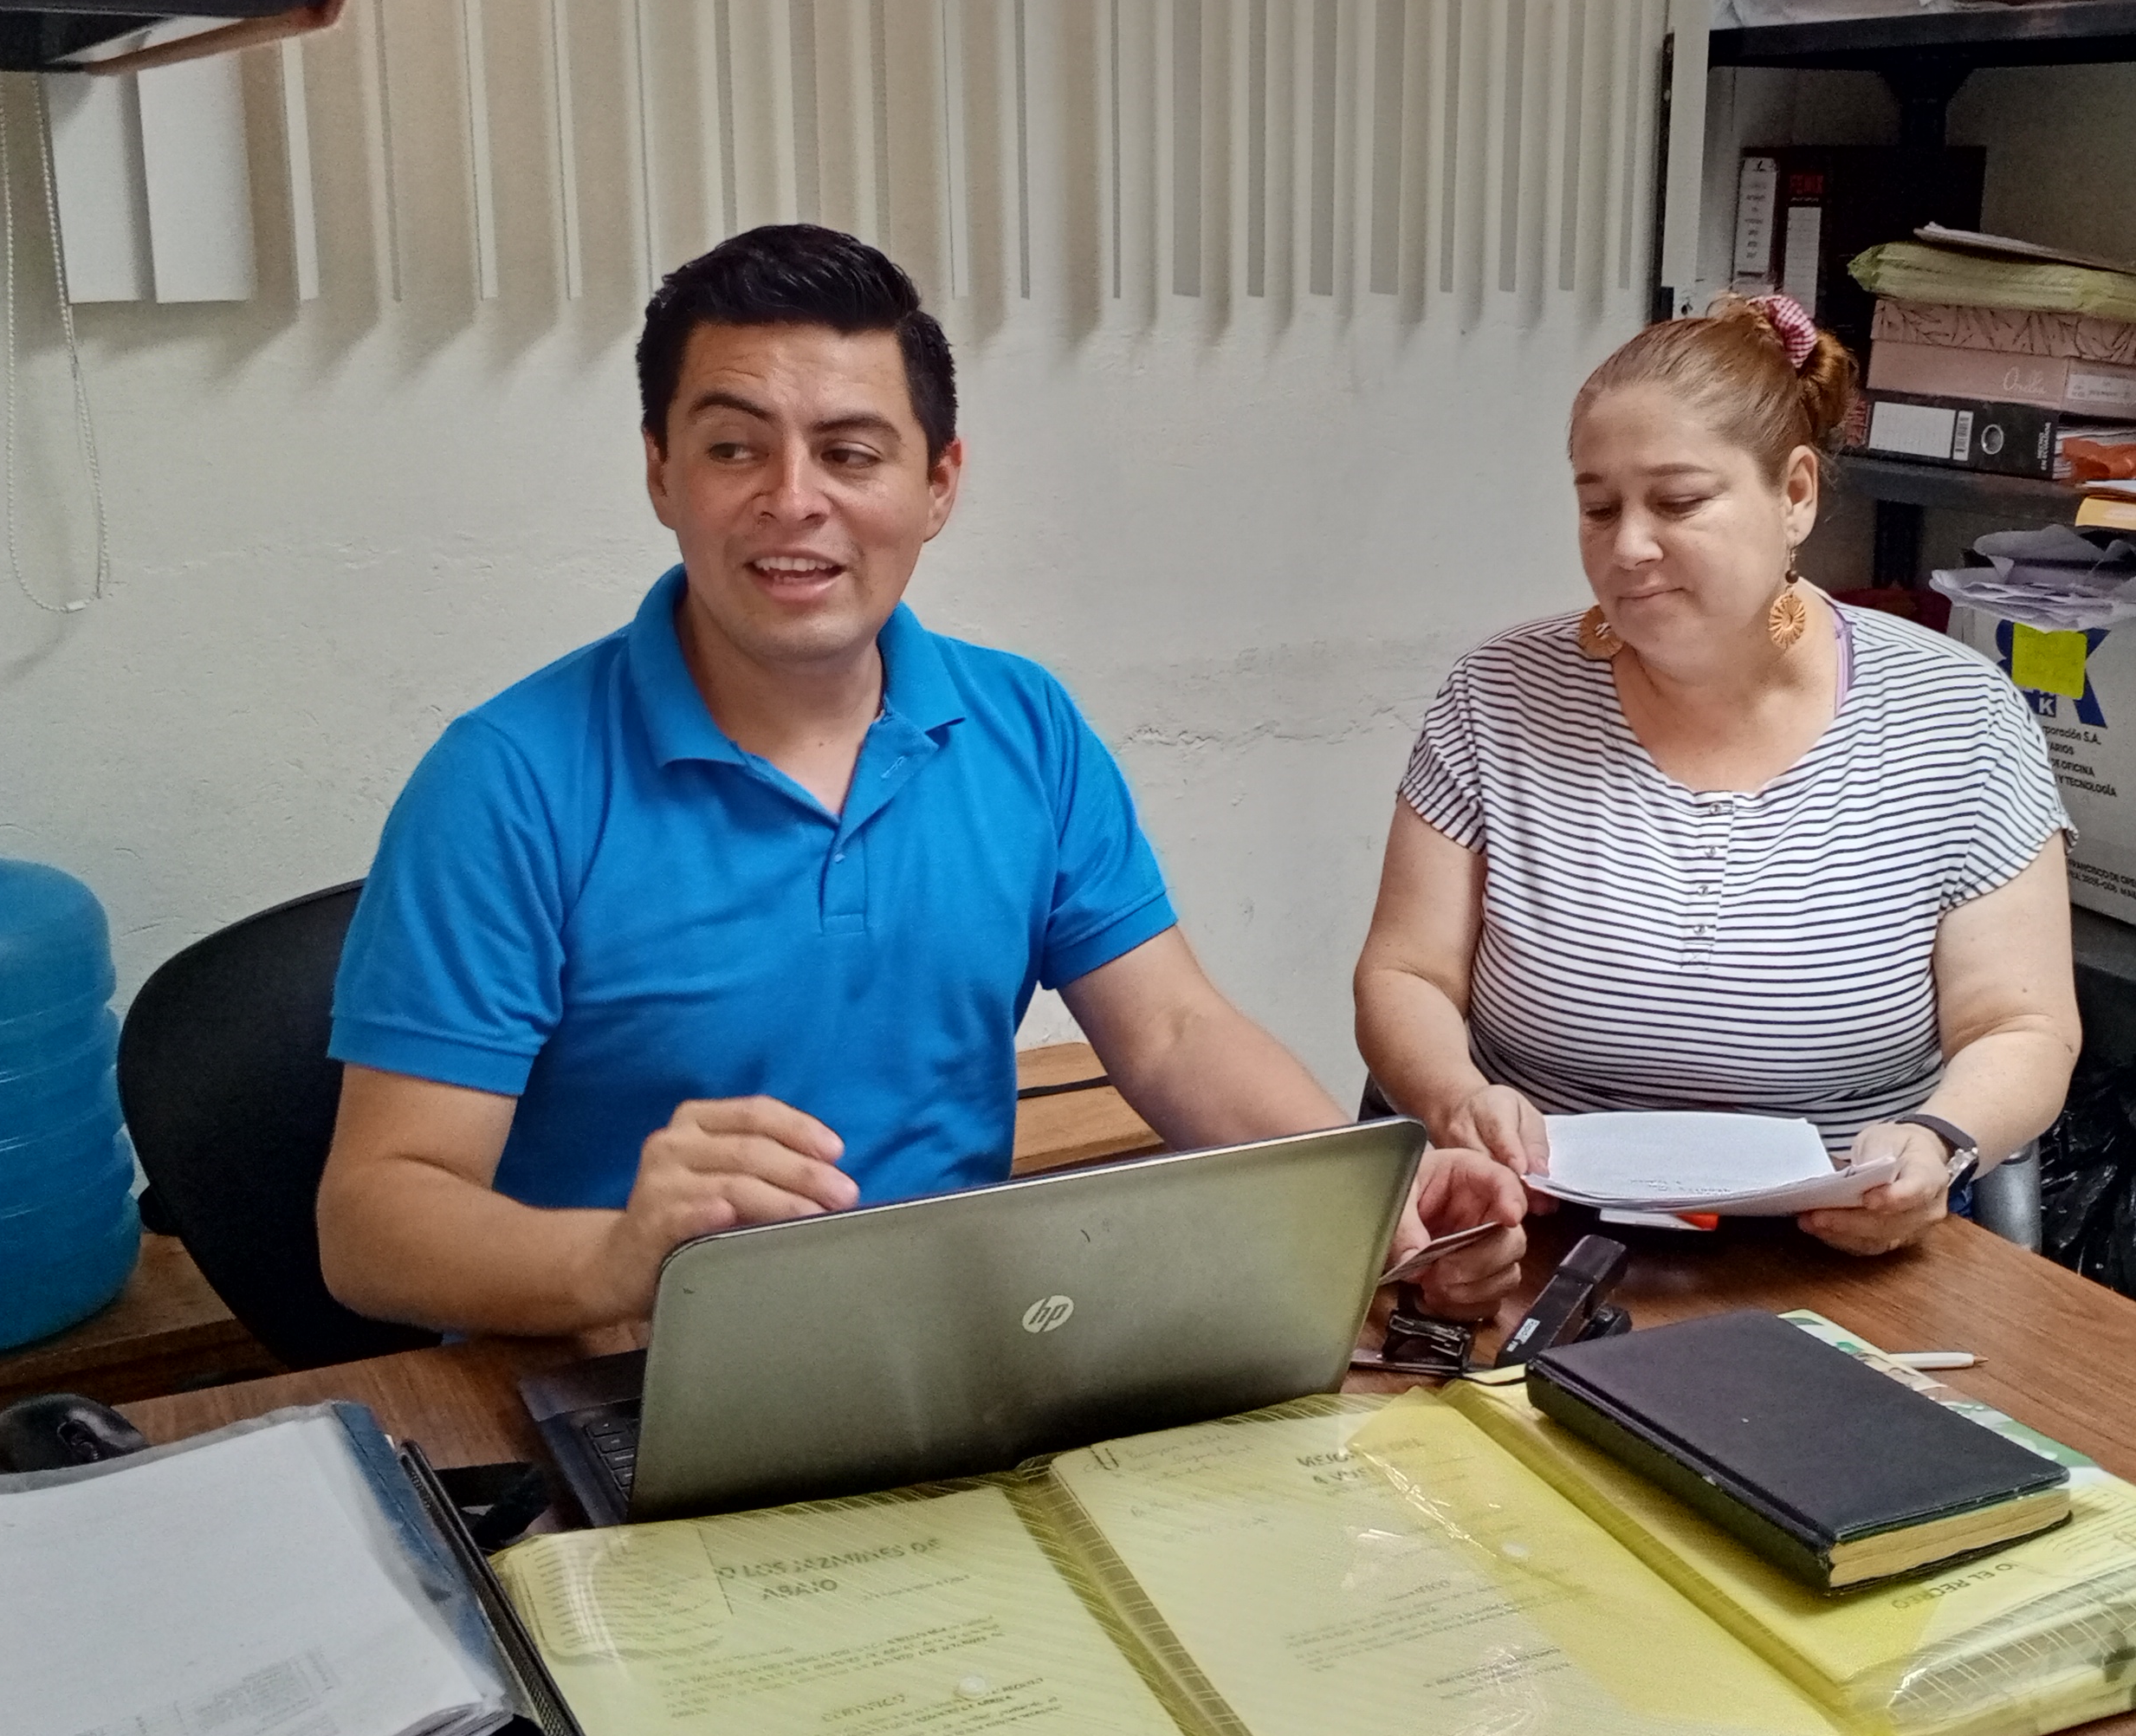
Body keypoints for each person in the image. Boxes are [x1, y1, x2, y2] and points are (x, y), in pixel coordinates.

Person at [319, 223, 1524, 1335]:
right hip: (618, 1366)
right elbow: (372, 1220)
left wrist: (1372, 1193)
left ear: (938, 484)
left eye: (850, 453)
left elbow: (1171, 1033)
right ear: (661, 473)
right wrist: (616, 1259)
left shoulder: (1022, 725)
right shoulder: (507, 783)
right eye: (734, 448)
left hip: (961, 1351)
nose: (793, 500)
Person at [1352, 290, 2081, 1256]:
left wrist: (1940, 1139)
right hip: (1533, 1227)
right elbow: (1405, 972)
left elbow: (2021, 1025)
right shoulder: (1500, 694)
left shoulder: (1955, 714)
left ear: (1795, 495)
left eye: (1678, 502)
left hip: (1840, 1241)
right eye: (1598, 507)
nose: (1627, 547)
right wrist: (1457, 1099)